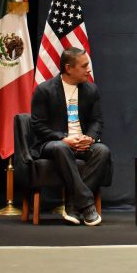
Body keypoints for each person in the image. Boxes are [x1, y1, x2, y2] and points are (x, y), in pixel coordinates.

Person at [30, 47, 111, 226]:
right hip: (52, 143)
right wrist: (63, 138)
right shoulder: (44, 90)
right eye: (84, 66)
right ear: (68, 68)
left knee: (102, 151)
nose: (88, 70)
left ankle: (74, 204)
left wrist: (89, 138)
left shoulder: (91, 90)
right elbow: (38, 125)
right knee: (61, 147)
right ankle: (87, 205)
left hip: (82, 143)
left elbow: (97, 121)